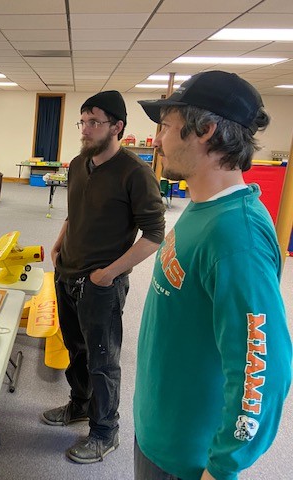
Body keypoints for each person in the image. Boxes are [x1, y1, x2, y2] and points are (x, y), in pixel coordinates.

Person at [135, 71, 292, 480]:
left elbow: (265, 369)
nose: (156, 141)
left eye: (165, 127)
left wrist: (222, 467)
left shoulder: (236, 236)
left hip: (186, 459)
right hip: (159, 430)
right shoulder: (205, 206)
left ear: (204, 130)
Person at [45, 90, 165, 463]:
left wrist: (109, 273)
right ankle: (79, 404)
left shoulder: (136, 173)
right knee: (75, 348)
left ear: (117, 127)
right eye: (83, 121)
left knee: (102, 359)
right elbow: (74, 211)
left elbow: (154, 235)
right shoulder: (78, 164)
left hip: (101, 286)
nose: (86, 129)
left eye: (95, 122)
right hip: (67, 274)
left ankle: (105, 431)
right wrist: (59, 244)